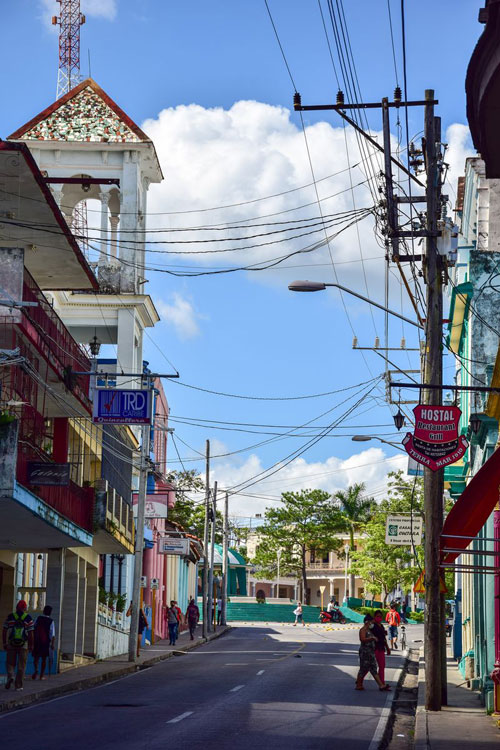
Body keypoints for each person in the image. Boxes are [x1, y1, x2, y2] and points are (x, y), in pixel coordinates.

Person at [2, 599, 34, 691]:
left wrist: (4, 643)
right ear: (25, 608)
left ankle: (10, 676)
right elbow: (31, 633)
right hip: (23, 644)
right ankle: (18, 685)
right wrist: (31, 645)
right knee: (21, 665)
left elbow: (4, 630)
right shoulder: (28, 618)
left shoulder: (10, 617)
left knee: (10, 663)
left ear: (16, 608)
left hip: (11, 643)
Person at [355, 614, 390, 691]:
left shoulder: (369, 630)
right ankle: (359, 684)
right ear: (367, 622)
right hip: (365, 652)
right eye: (371, 622)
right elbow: (362, 639)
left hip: (371, 652)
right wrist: (371, 638)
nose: (372, 624)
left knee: (373, 668)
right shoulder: (363, 630)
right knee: (363, 668)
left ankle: (381, 685)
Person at [32, 605, 55, 681]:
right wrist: (52, 644)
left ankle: (36, 669)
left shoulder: (38, 618)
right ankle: (41, 676)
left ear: (43, 611)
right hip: (45, 642)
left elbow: (33, 627)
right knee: (44, 659)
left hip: (37, 641)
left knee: (36, 658)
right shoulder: (51, 621)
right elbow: (52, 635)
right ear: (50, 613)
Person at [372, 610, 391, 685]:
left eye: (380, 616)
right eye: (378, 616)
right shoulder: (372, 626)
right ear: (374, 617)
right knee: (370, 667)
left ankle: (382, 683)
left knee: (382, 666)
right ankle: (359, 681)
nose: (379, 618)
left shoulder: (381, 626)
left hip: (381, 648)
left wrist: (387, 648)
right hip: (374, 648)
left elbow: (383, 638)